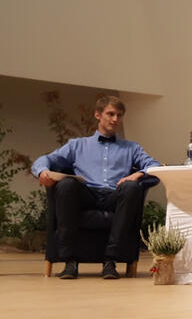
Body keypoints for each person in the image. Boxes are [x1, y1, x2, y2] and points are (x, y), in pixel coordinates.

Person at [31, 96, 161, 280]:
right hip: (87, 194)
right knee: (67, 184)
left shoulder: (131, 148)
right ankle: (69, 261)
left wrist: (137, 174)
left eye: (119, 115)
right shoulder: (77, 145)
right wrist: (42, 172)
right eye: (111, 114)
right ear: (98, 115)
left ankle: (110, 261)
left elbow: (155, 166)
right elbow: (45, 159)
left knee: (131, 188)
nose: (115, 119)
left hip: (115, 195)